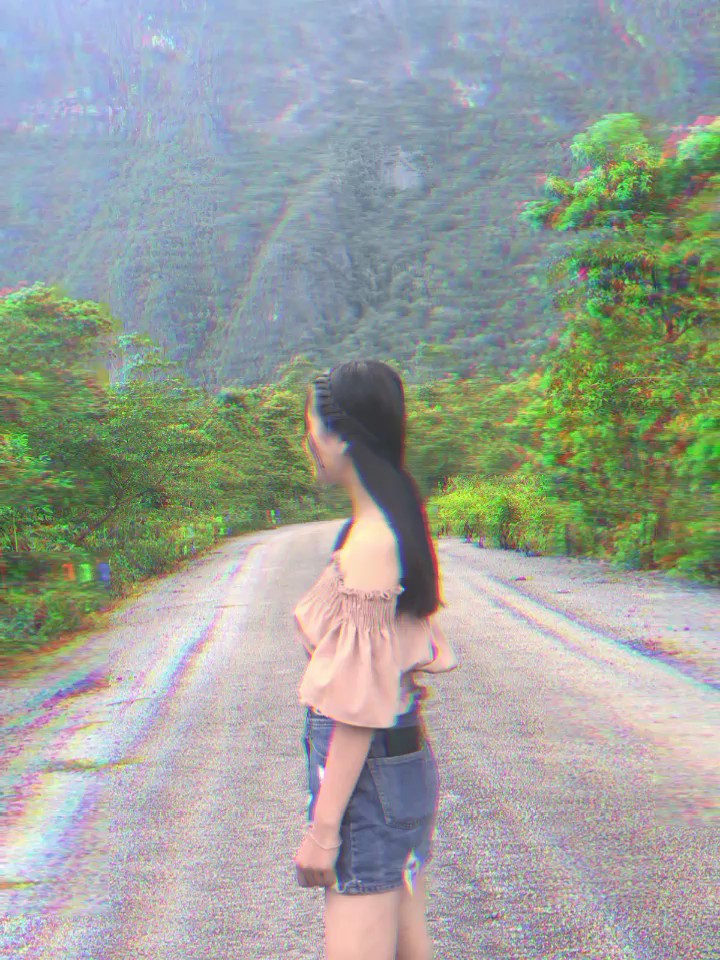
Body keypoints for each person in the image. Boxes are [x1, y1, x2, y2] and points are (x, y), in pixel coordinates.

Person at [293, 360, 458, 960]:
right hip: (398, 771)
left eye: (311, 427)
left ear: (339, 436)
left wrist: (323, 830)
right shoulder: (388, 526)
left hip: (370, 779)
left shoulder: (370, 543)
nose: (308, 442)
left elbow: (359, 705)